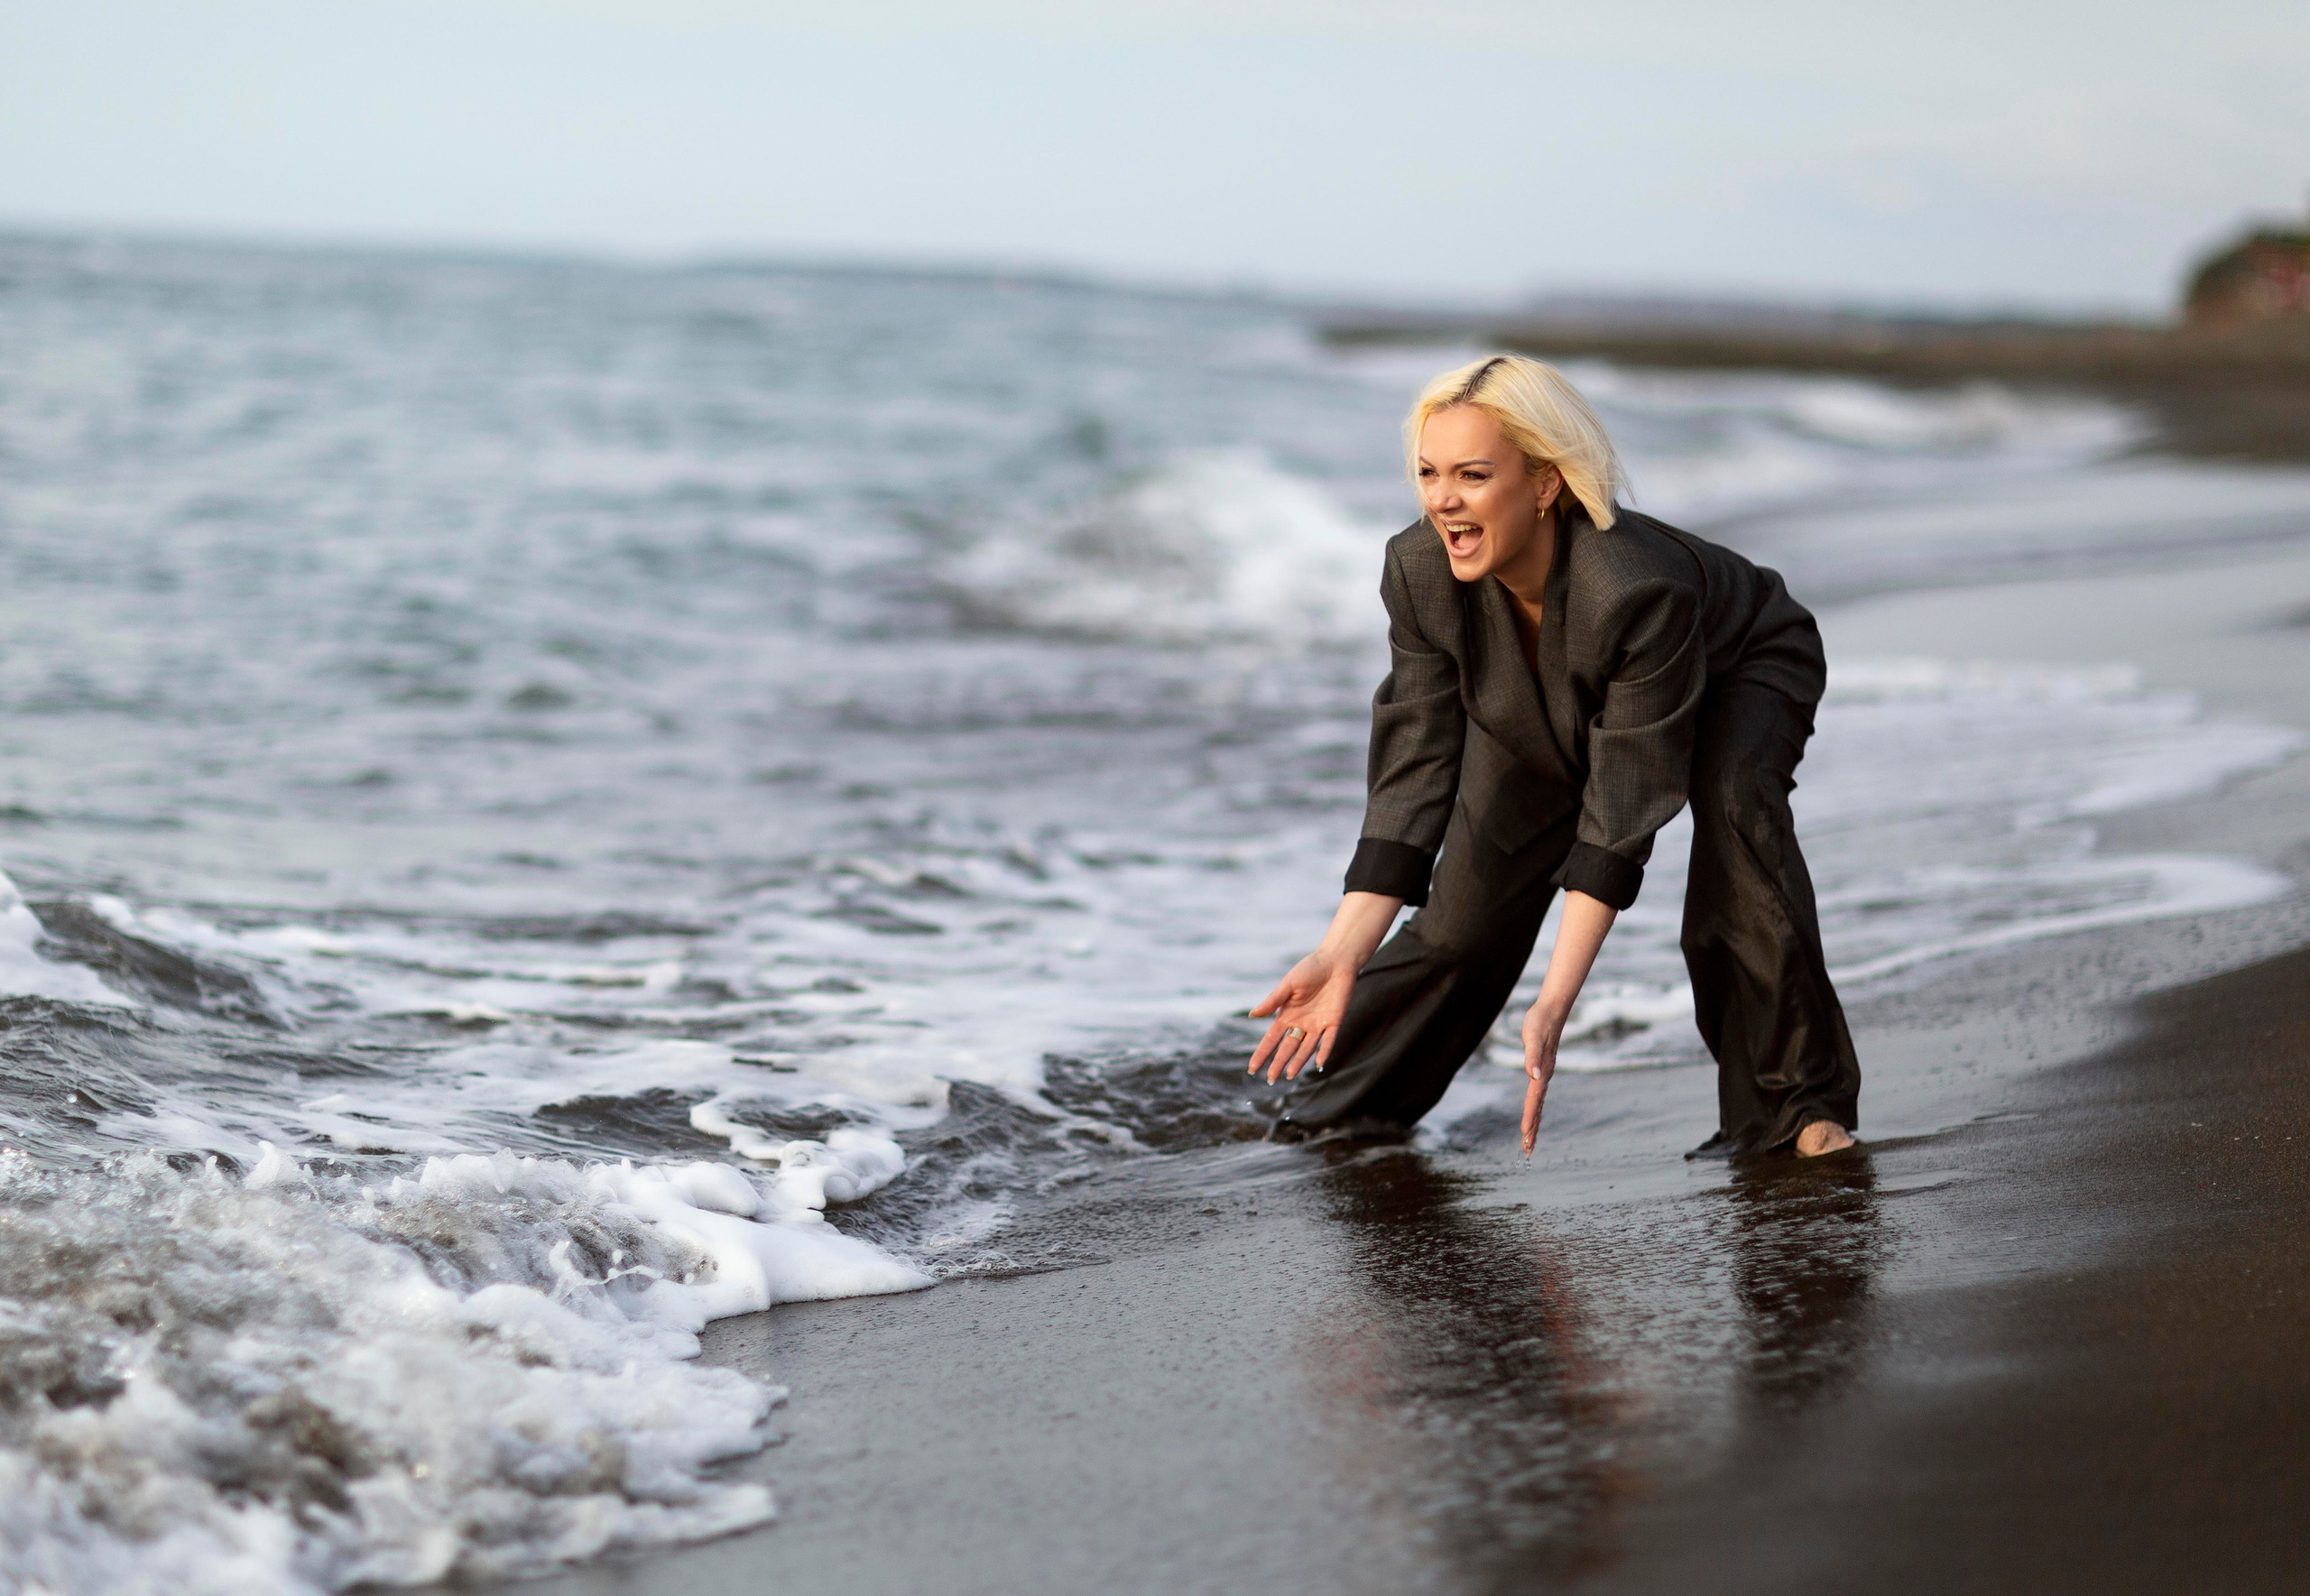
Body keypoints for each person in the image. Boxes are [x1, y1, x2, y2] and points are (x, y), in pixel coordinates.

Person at [1249, 355, 1860, 1158]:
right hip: (1545, 704)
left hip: (1739, 668)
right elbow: (1416, 767)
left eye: (1472, 474)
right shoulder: (1421, 570)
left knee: (1736, 821)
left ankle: (1798, 1111)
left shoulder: (1635, 587)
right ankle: (1339, 1110)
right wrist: (1339, 950)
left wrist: (1553, 1000)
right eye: (1429, 473)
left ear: (1544, 483)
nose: (1442, 499)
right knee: (1462, 921)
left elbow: (1617, 812)